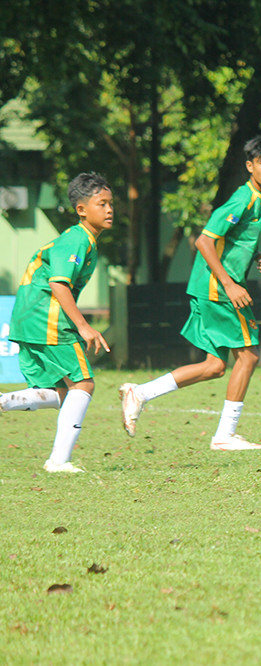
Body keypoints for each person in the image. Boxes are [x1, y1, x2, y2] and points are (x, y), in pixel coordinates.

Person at [118, 135, 261, 449]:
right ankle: (224, 436)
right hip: (217, 288)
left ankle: (139, 393)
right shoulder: (243, 199)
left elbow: (237, 240)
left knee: (214, 366)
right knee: (248, 357)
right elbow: (204, 241)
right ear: (250, 166)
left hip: (212, 287)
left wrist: (256, 256)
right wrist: (230, 283)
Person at [0, 173, 113, 472]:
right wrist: (84, 326)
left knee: (61, 393)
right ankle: (58, 461)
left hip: (27, 318)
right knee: (83, 384)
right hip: (45, 317)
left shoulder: (83, 241)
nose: (110, 210)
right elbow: (59, 284)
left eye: (110, 203)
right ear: (81, 209)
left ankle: (4, 401)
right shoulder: (76, 239)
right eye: (101, 204)